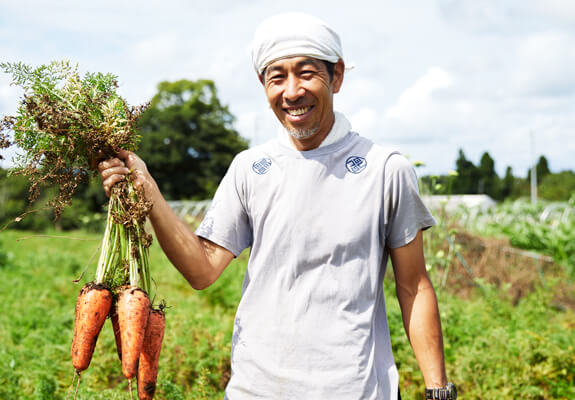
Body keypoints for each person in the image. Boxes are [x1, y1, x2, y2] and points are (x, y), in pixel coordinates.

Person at [99, 12, 456, 400]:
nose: (291, 91)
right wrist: (147, 190)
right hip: (258, 388)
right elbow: (202, 271)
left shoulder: (385, 170)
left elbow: (414, 286)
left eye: (306, 73)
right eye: (277, 77)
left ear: (336, 76)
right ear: (263, 84)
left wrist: (438, 389)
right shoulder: (250, 168)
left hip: (355, 389)